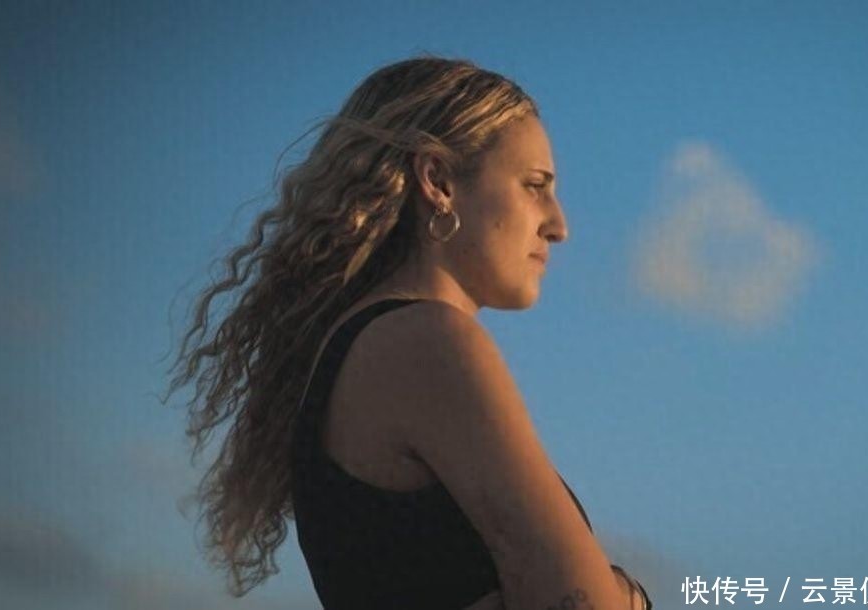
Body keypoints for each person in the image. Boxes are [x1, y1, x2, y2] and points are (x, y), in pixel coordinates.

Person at [165, 55, 651, 610]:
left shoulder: (364, 350)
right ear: (438, 181)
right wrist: (633, 594)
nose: (558, 226)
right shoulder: (426, 341)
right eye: (534, 185)